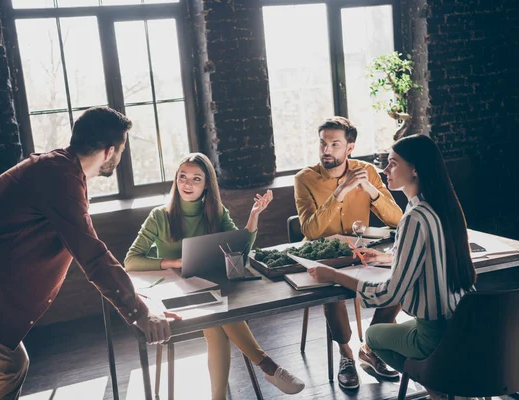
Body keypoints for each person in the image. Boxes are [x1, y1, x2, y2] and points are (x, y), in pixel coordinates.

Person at [0, 107, 179, 400]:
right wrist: (139, 313)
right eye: (120, 151)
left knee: (13, 366)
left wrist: (135, 296)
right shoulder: (59, 177)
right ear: (110, 152)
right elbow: (92, 254)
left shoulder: (62, 170)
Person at [308, 134, 477, 400]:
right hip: (465, 325)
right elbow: (429, 253)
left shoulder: (414, 217)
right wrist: (387, 257)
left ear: (415, 169)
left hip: (433, 335)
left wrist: (335, 276)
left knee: (373, 336)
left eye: (393, 163)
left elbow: (390, 294)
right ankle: (442, 389)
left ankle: (436, 387)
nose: (384, 170)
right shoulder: (444, 208)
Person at [125, 152, 305, 400]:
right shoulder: (159, 216)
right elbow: (131, 260)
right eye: (182, 177)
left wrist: (253, 217)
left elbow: (239, 249)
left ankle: (220, 396)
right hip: (175, 292)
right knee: (220, 313)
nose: (187, 184)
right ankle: (268, 366)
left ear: (207, 184)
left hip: (210, 288)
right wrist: (174, 262)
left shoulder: (216, 212)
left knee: (217, 321)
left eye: (196, 179)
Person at [293, 116, 404, 389]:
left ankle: (371, 347)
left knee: (401, 279)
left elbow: (397, 218)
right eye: (323, 143)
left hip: (362, 253)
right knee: (330, 289)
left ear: (349, 147)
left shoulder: (366, 171)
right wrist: (340, 192)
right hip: (323, 255)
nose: (326, 150)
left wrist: (368, 189)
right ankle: (346, 354)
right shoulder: (304, 179)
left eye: (334, 144)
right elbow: (311, 229)